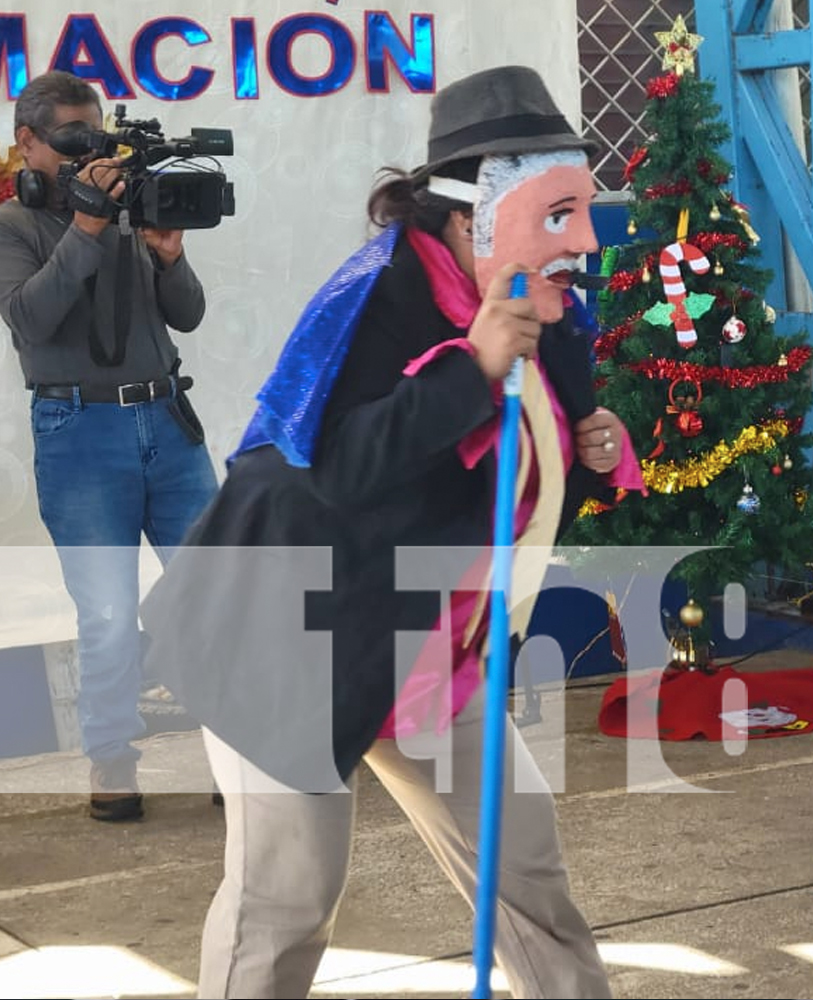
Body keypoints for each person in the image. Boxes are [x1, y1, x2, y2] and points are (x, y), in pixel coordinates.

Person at [139, 66, 636, 998]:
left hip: (432, 639)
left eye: (583, 210)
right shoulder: (371, 298)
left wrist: (595, 447)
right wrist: (471, 370)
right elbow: (327, 474)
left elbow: (531, 460)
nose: (583, 240)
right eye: (555, 211)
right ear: (465, 212)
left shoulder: (546, 299)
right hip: (286, 629)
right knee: (284, 904)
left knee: (524, 874)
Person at [0, 70, 219, 822]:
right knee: (104, 611)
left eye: (98, 137)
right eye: (71, 140)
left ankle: (237, 750)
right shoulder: (12, 227)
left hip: (167, 423)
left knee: (219, 588)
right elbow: (31, 321)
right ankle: (113, 763)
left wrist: (165, 253)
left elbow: (185, 315)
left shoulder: (131, 212)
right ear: (27, 142)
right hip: (77, 433)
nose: (92, 154)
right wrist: (87, 228)